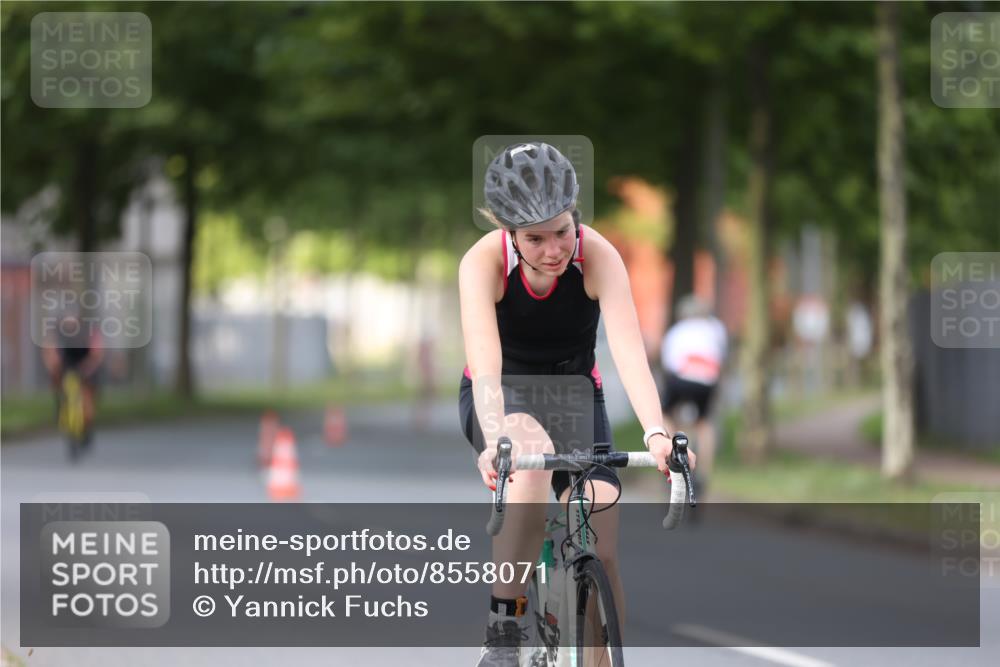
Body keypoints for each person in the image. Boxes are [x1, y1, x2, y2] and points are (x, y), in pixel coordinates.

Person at [458, 142, 694, 666]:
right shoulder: (483, 262)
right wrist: (494, 435)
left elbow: (630, 352)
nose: (552, 249)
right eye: (534, 238)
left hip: (574, 393)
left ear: (576, 217)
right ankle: (503, 627)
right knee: (532, 468)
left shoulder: (599, 254)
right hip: (505, 393)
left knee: (602, 540)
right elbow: (486, 365)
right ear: (508, 232)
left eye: (562, 231)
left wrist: (656, 432)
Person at [659, 295, 727, 483]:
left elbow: (669, 364)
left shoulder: (676, 331)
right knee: (705, 422)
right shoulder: (715, 328)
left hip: (681, 377)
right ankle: (705, 472)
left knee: (665, 414)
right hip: (707, 378)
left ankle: (674, 454)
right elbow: (720, 359)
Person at [41, 310, 104, 448]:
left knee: (88, 394)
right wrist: (54, 367)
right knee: (58, 383)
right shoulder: (57, 332)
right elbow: (49, 351)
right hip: (67, 365)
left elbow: (96, 353)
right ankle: (60, 408)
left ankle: (88, 426)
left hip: (86, 364)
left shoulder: (89, 331)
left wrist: (88, 368)